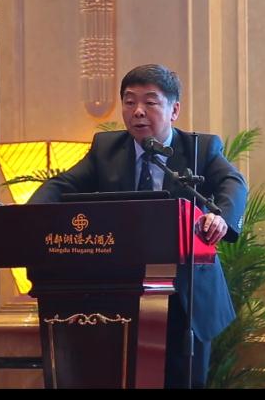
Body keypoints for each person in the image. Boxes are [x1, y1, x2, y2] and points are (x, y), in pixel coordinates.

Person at [29, 63, 247, 388]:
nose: (138, 111)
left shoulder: (200, 148)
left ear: (174, 110)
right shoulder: (106, 149)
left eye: (150, 102)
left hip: (186, 297)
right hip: (120, 298)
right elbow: (61, 186)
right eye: (129, 102)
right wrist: (30, 215)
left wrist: (220, 218)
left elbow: (233, 183)